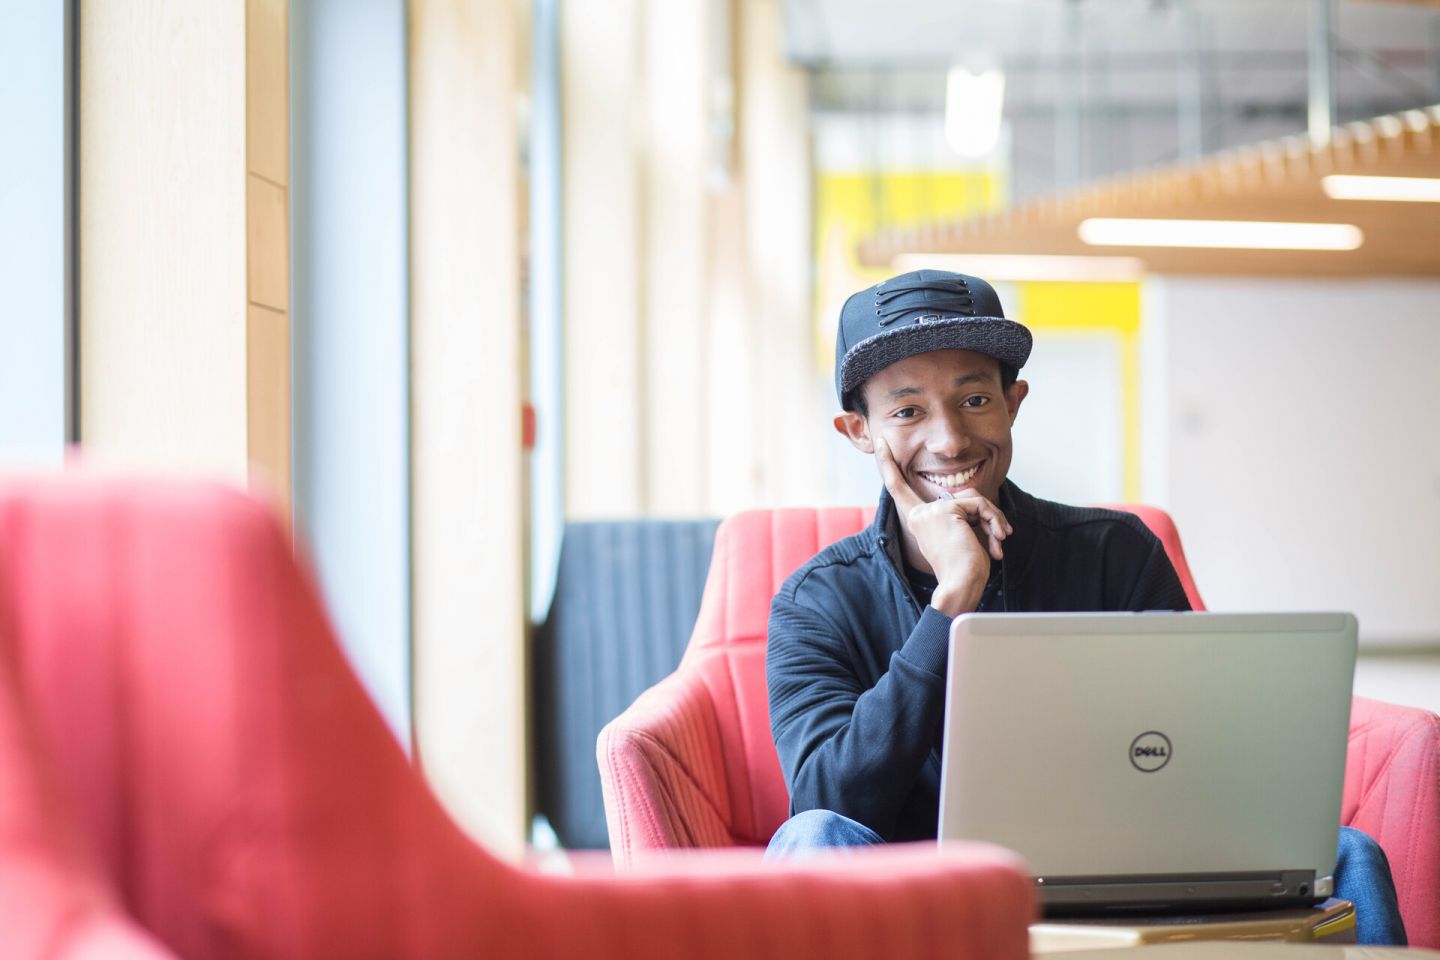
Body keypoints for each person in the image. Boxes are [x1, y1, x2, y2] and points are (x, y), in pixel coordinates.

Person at [764, 269, 1406, 945]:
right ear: (858, 430)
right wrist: (950, 605)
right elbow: (828, 804)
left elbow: (1199, 755)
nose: (949, 440)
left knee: (1349, 854)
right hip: (914, 899)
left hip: (1120, 878)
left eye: (974, 397)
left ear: (1014, 402)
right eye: (907, 411)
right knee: (811, 838)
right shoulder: (817, 601)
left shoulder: (1116, 553)